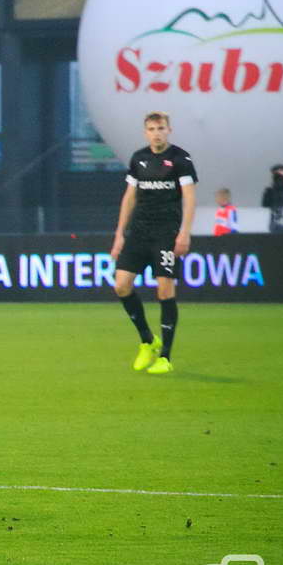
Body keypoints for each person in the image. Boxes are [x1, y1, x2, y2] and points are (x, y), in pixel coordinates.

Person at [110, 112, 196, 375]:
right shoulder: (139, 159)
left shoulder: (181, 159)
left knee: (164, 290)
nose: (156, 133)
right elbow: (129, 196)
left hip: (165, 234)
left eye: (160, 128)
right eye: (151, 128)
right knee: (121, 285)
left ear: (169, 130)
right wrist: (119, 234)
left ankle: (165, 357)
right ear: (145, 132)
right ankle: (148, 341)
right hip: (138, 232)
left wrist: (184, 233)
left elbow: (190, 198)